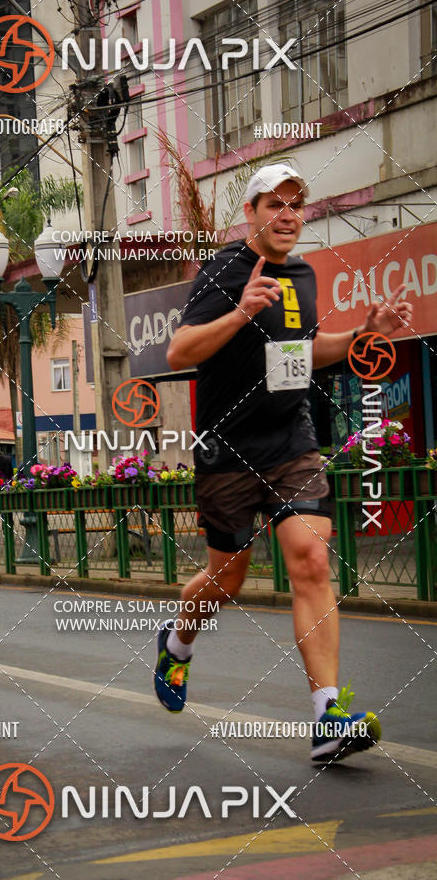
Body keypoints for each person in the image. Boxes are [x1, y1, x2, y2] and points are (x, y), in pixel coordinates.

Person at [155, 163, 412, 762]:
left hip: (291, 443)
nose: (289, 214)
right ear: (252, 211)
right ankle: (178, 642)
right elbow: (180, 350)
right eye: (277, 203)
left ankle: (328, 714)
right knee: (228, 579)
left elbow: (299, 354)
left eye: (299, 204)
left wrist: (357, 338)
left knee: (313, 559)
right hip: (227, 447)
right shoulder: (223, 270)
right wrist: (241, 311)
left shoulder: (302, 274)